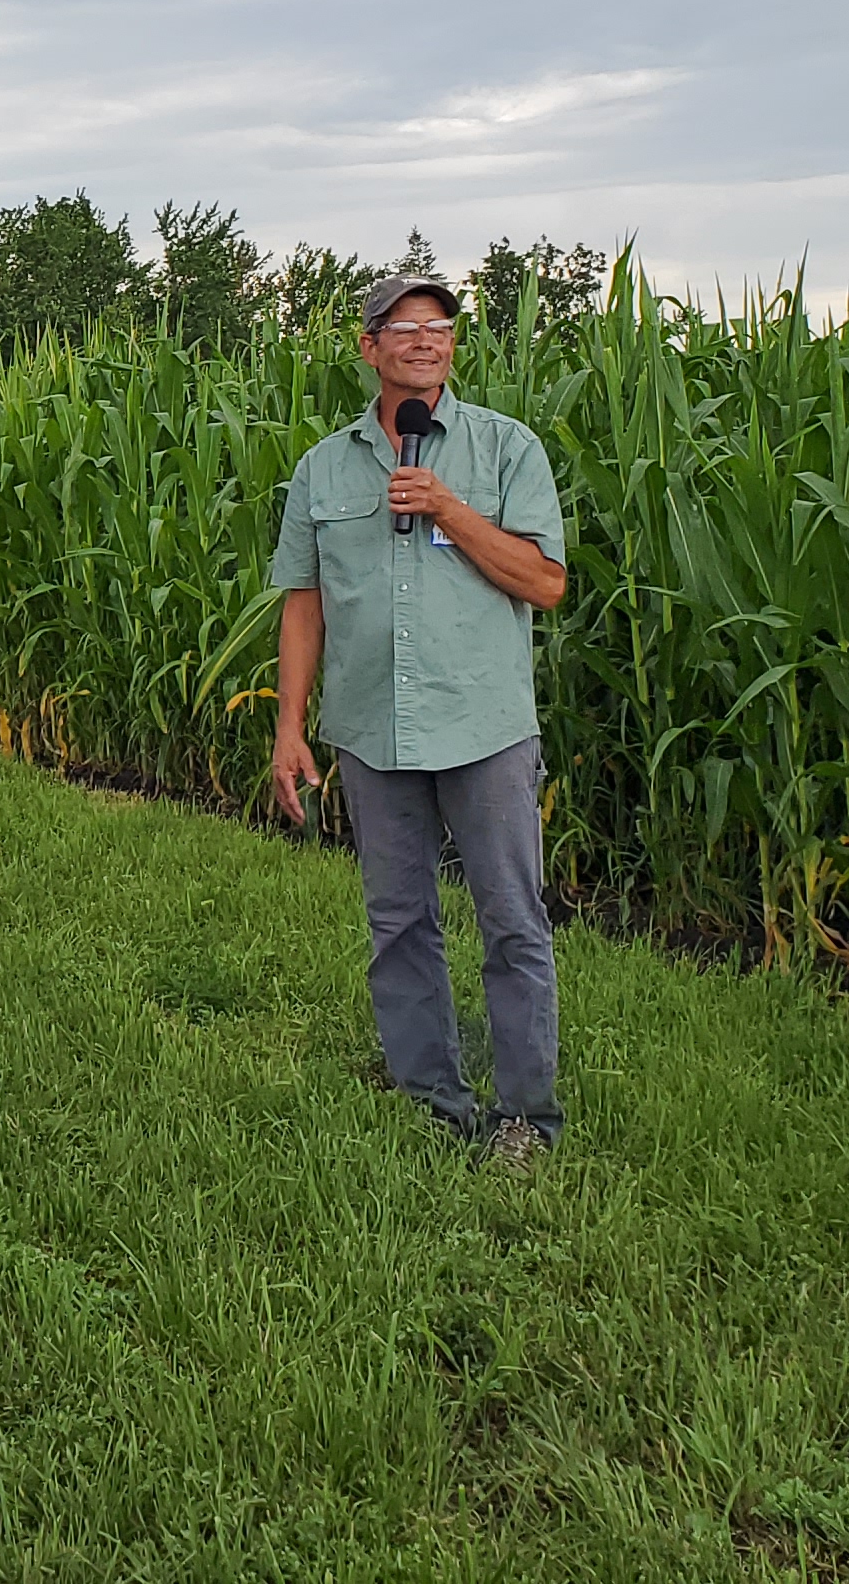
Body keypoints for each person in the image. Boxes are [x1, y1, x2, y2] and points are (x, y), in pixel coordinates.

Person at [266, 272, 572, 1166]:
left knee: (512, 919)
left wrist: (448, 509)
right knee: (398, 919)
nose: (425, 340)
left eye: (438, 326)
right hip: (370, 727)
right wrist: (291, 727)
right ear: (369, 347)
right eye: (404, 327)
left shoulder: (505, 451)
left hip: (484, 727)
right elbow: (304, 603)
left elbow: (546, 583)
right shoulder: (323, 467)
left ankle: (526, 1118)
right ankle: (431, 1095)